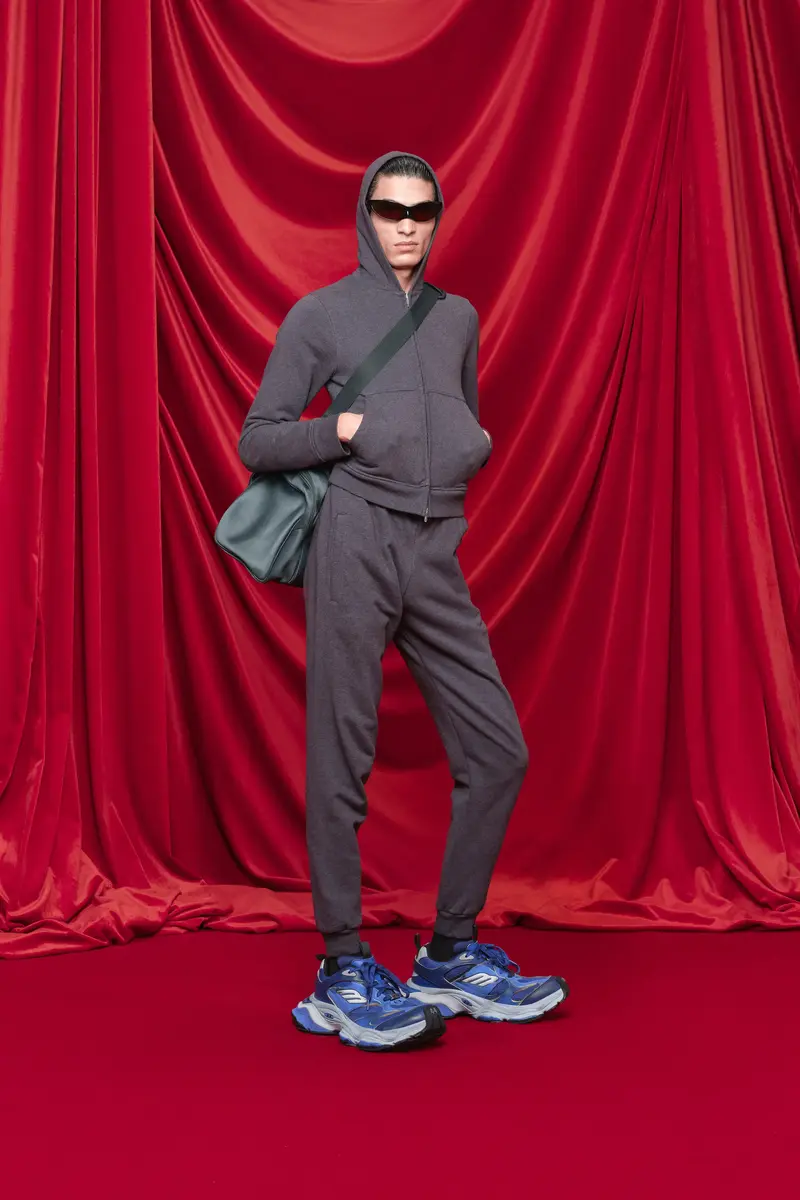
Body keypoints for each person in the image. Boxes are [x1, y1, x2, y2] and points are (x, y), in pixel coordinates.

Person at [239, 151, 568, 1051]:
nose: (407, 225)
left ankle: (449, 953)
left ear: (436, 217)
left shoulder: (457, 317)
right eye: (390, 210)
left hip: (433, 550)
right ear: (366, 214)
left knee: (498, 750)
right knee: (342, 756)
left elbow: (455, 415)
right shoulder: (321, 316)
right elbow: (258, 440)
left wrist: (468, 447)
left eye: (421, 211)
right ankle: (342, 964)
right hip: (353, 538)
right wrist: (337, 429)